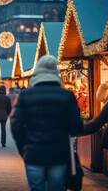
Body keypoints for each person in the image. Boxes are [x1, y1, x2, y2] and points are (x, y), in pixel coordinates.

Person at [11, 56, 83, 191]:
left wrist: (23, 148)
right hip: (59, 153)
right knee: (56, 187)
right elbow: (75, 127)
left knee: (37, 188)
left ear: (37, 72)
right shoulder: (67, 95)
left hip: (33, 152)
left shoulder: (25, 95)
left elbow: (16, 125)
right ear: (56, 72)